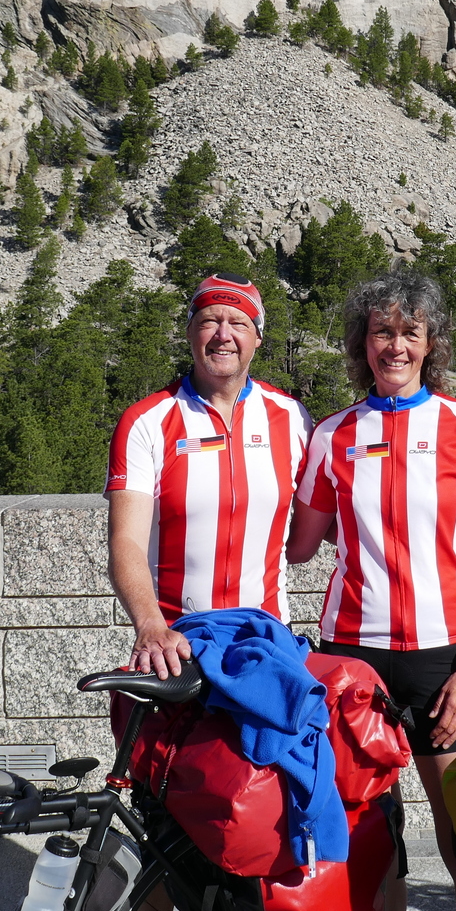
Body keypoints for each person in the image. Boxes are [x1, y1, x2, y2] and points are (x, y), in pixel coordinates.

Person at [287, 271, 456, 911]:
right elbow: (297, 547)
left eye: (408, 332)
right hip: (351, 658)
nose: (394, 345)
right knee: (367, 842)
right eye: (380, 331)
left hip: (437, 662)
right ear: (362, 344)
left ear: (430, 345)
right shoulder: (332, 434)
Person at [105, 272, 313, 673]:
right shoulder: (146, 421)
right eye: (208, 322)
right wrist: (150, 625)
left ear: (257, 338)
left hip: (267, 639)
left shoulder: (292, 418)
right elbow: (125, 541)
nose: (223, 335)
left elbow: (323, 522)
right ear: (189, 333)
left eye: (238, 323)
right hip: (177, 645)